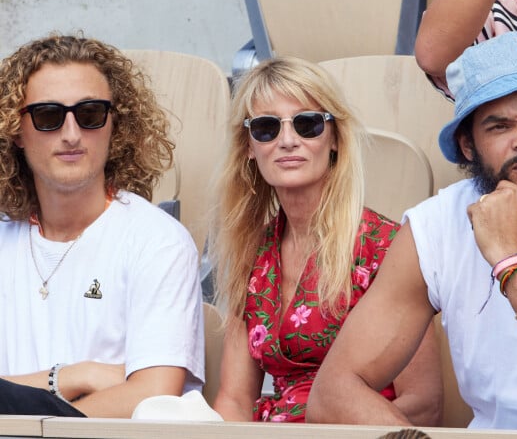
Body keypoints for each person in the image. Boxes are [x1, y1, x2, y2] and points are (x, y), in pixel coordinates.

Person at [308, 32, 517, 430]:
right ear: (468, 145)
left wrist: (510, 258)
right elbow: (334, 393)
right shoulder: (435, 226)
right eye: (500, 126)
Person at [210, 57, 442, 424]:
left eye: (307, 124)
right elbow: (235, 399)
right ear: (249, 148)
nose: (288, 141)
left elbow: (421, 403)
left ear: (334, 138)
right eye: (267, 128)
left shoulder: (384, 246)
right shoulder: (251, 250)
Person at [0, 35, 204, 418]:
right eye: (48, 116)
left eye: (90, 113)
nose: (72, 134)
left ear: (115, 123)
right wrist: (71, 377)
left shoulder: (157, 241)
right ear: (15, 130)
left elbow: (154, 395)